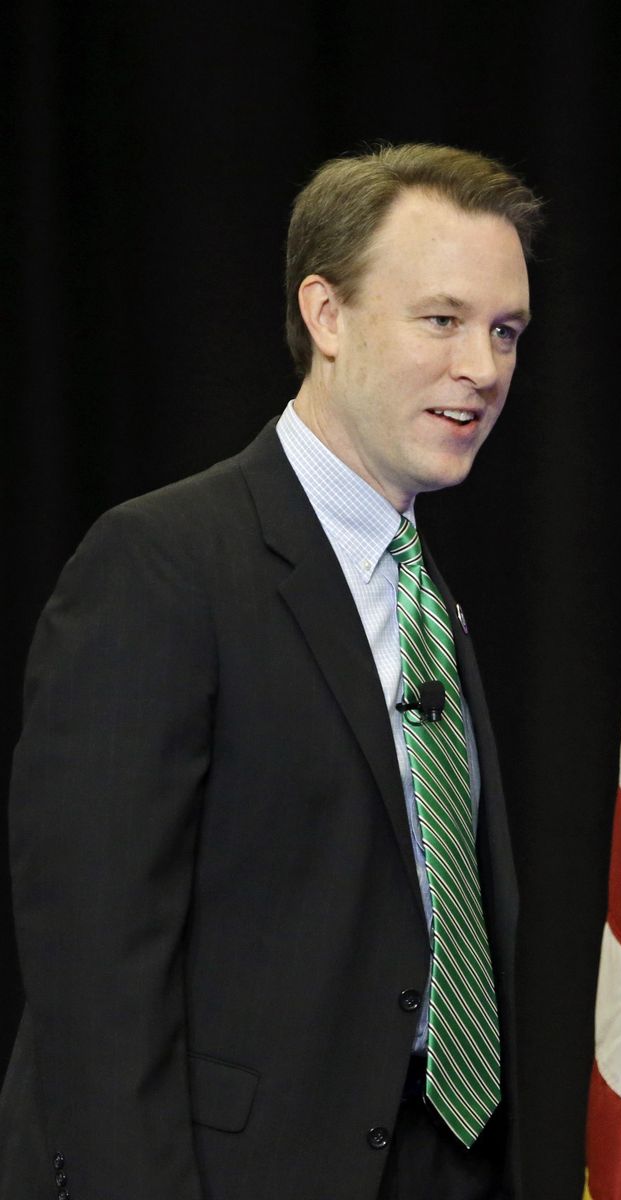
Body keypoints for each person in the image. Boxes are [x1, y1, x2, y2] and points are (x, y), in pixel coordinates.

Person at [0, 143, 542, 1200]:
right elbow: (94, 971)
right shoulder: (162, 564)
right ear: (326, 315)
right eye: (442, 319)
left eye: (505, 330)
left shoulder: (427, 590)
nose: (482, 367)